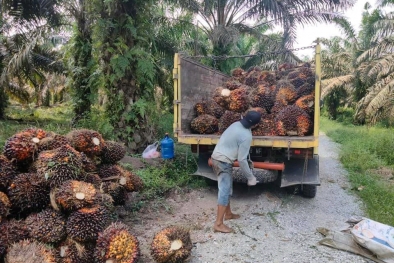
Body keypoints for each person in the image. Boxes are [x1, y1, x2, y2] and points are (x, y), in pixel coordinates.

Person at [211, 110, 262, 233]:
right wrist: (250, 177)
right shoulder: (246, 136)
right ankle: (218, 224)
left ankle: (228, 214)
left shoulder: (235, 124)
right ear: (255, 125)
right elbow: (242, 160)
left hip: (216, 158)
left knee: (227, 188)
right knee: (225, 190)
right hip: (223, 162)